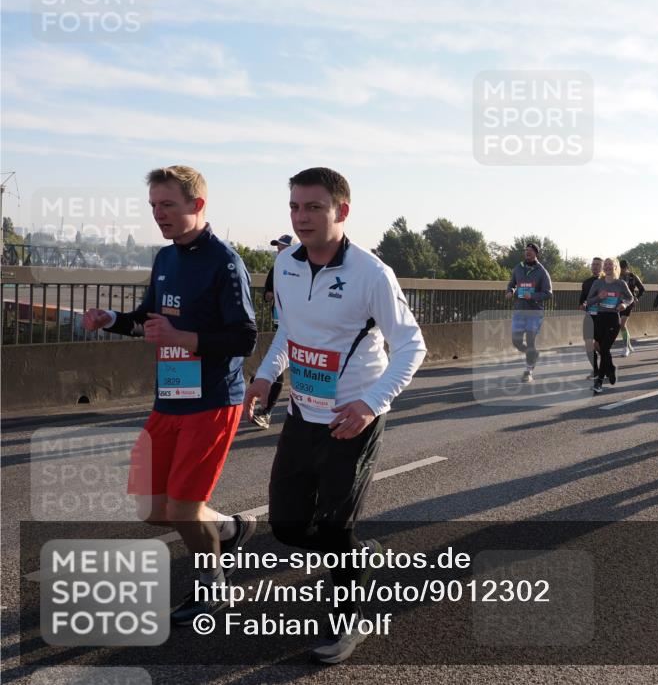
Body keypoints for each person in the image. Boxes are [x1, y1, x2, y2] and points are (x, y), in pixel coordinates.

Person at [244, 167, 426, 664]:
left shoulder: (371, 273)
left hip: (354, 416)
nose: (302, 218)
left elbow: (413, 346)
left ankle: (351, 618)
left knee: (334, 526)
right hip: (304, 411)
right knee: (284, 524)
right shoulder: (284, 265)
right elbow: (288, 331)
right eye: (295, 207)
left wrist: (372, 404)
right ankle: (357, 557)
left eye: (314, 207)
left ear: (341, 211)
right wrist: (265, 376)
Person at [82, 166, 258, 625]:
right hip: (170, 397)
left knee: (182, 506)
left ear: (197, 205)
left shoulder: (224, 262)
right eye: (154, 206)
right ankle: (227, 527)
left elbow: (244, 337)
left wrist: (186, 336)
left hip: (214, 400)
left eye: (168, 205)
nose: (159, 215)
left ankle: (212, 587)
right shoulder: (166, 258)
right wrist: (112, 319)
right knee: (151, 506)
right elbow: (149, 318)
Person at [251, 234, 294, 429]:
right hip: (279, 324)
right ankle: (265, 408)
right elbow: (268, 291)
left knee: (277, 368)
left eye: (283, 247)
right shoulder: (277, 267)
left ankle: (266, 408)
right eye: (278, 247)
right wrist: (269, 294)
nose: (279, 250)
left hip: (300, 327)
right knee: (273, 366)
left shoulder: (303, 268)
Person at [505, 243, 553, 383]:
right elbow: (512, 284)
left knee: (531, 340)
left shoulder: (542, 271)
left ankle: (528, 370)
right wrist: (510, 291)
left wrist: (532, 296)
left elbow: (548, 294)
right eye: (526, 250)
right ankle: (533, 355)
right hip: (520, 309)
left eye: (530, 251)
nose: (527, 252)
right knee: (517, 341)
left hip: (534, 311)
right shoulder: (518, 268)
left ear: (536, 254)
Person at [585, 258, 634, 393]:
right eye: (605, 265)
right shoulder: (597, 283)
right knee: (601, 348)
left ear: (615, 267)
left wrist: (624, 304)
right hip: (600, 318)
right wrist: (599, 297)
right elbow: (588, 301)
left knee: (605, 349)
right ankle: (611, 368)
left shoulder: (621, 284)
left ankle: (599, 382)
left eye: (610, 264)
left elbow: (630, 298)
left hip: (613, 319)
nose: (607, 267)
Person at [579, 257, 604, 378]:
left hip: (603, 317)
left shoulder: (607, 281)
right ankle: (596, 370)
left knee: (599, 346)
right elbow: (581, 301)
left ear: (602, 267)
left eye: (598, 265)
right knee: (588, 344)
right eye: (593, 264)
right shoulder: (586, 282)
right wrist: (582, 305)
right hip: (589, 317)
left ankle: (606, 364)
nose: (595, 266)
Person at [618, 259, 645, 357]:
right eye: (620, 269)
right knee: (621, 325)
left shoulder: (633, 277)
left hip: (629, 302)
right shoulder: (617, 276)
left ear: (627, 268)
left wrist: (637, 297)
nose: (621, 271)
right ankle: (629, 345)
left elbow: (642, 289)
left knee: (622, 324)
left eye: (623, 269)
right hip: (618, 303)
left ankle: (625, 348)